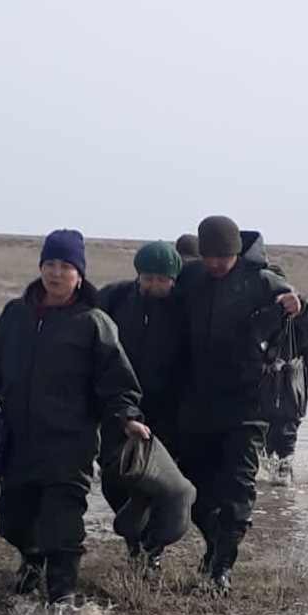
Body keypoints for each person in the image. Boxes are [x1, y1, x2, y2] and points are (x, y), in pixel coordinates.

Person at [0, 229, 149, 605]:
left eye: (65, 266)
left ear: (79, 273)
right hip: (18, 441)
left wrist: (126, 415)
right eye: (49, 264)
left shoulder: (93, 322)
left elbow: (117, 382)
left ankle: (62, 600)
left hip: (69, 444)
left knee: (64, 527)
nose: (56, 273)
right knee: (12, 518)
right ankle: (31, 559)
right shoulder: (16, 314)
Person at [175, 215, 308, 593]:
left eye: (225, 255)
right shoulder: (189, 279)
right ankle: (214, 545)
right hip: (197, 404)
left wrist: (299, 306)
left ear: (237, 252)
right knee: (194, 487)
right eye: (210, 256)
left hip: (248, 406)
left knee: (238, 487)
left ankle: (223, 566)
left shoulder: (263, 281)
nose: (217, 263)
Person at [96, 240, 187, 568]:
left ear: (174, 279)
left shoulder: (185, 308)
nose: (154, 285)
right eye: (148, 278)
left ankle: (152, 551)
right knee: (113, 481)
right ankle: (134, 542)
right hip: (117, 409)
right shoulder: (114, 298)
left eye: (162, 279)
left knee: (158, 483)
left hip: (167, 411)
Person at [260, 293, 308, 486]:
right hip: (290, 396)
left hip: (275, 395)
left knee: (268, 445)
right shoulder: (298, 315)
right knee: (282, 447)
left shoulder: (297, 314)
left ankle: (275, 494)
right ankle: (280, 491)